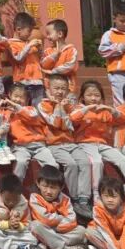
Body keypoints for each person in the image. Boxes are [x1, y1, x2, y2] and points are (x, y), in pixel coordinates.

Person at [37, 75, 93, 220]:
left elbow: (69, 125)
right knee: (71, 164)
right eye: (56, 88)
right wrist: (59, 106)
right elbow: (54, 123)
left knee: (85, 162)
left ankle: (84, 200)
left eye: (63, 89)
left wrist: (65, 107)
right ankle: (74, 198)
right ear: (49, 89)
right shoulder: (43, 105)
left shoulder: (70, 105)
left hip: (71, 143)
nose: (60, 92)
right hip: (54, 144)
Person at [71, 80, 125, 200]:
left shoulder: (104, 111)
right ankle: (97, 195)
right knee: (97, 162)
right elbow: (72, 119)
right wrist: (86, 109)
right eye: (89, 95)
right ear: (82, 97)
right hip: (85, 143)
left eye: (97, 95)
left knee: (122, 159)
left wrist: (112, 110)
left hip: (103, 144)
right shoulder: (79, 109)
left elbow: (122, 120)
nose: (93, 98)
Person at [0, 83, 59, 181]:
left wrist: (16, 107)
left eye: (21, 97)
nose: (18, 99)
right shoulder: (6, 113)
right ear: (9, 95)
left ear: (27, 100)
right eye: (16, 96)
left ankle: (49, 187)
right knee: (21, 162)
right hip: (20, 147)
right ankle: (16, 187)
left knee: (53, 165)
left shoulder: (31, 109)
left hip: (39, 146)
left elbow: (31, 117)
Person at [28, 164, 87, 249]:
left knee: (82, 231)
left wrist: (55, 228)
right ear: (38, 184)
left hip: (57, 233)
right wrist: (61, 218)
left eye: (53, 187)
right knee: (35, 225)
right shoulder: (35, 198)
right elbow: (44, 219)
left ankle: (48, 245)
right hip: (43, 230)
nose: (48, 191)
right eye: (45, 186)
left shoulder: (65, 199)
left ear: (61, 188)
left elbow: (72, 221)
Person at [0, 173, 40, 249]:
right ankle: (15, 248)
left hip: (15, 233)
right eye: (7, 200)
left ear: (20, 194)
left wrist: (18, 226)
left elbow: (27, 224)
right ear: (0, 194)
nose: (11, 203)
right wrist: (7, 224)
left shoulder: (24, 204)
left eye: (15, 199)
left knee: (34, 239)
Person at [8, 12, 44, 105]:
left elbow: (40, 60)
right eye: (29, 31)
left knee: (38, 109)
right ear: (18, 29)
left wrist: (40, 49)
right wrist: (29, 46)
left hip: (37, 81)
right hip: (23, 82)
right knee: (22, 108)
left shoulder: (29, 43)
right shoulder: (11, 43)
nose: (30, 34)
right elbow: (18, 59)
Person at [41, 18, 78, 98]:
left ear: (60, 34)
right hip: (50, 91)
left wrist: (53, 72)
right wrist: (54, 56)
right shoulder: (48, 51)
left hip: (68, 90)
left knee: (68, 105)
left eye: (49, 33)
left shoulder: (71, 50)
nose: (47, 37)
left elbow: (70, 66)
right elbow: (43, 65)